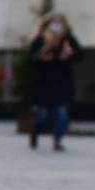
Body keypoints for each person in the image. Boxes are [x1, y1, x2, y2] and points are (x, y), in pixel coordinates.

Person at [26, 15, 80, 152]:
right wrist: (41, 58)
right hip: (44, 83)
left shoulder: (67, 40)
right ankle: (35, 132)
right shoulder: (41, 40)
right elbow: (31, 57)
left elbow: (80, 55)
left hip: (61, 83)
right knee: (42, 114)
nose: (57, 27)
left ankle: (57, 140)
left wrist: (69, 56)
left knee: (61, 114)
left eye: (59, 24)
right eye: (54, 24)